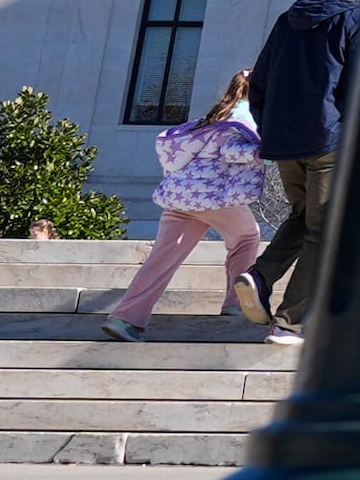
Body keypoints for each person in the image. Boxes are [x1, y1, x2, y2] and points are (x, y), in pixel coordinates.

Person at [243, 0, 360, 336]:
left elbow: (258, 80)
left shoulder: (288, 18)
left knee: (303, 218)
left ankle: (260, 277)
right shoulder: (358, 18)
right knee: (326, 227)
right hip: (329, 139)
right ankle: (290, 322)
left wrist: (270, 129)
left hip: (285, 141)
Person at [100, 72, 274, 343]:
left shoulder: (213, 117)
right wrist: (269, 151)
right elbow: (231, 151)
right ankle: (235, 303)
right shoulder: (244, 116)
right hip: (212, 196)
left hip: (180, 197)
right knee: (247, 236)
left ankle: (125, 318)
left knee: (162, 257)